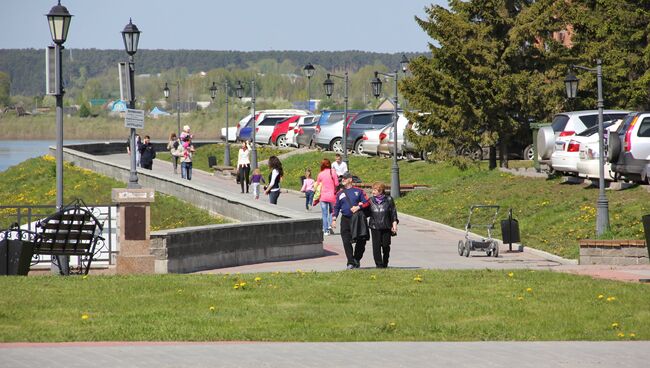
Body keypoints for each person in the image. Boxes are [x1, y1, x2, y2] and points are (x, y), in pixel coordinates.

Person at [331, 172, 370, 269]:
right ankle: (350, 262)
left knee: (361, 240)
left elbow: (367, 202)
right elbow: (336, 206)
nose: (342, 180)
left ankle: (357, 258)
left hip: (357, 219)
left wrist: (358, 207)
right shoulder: (340, 193)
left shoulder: (359, 191)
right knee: (346, 241)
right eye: (342, 179)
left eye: (344, 178)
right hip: (345, 219)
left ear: (350, 180)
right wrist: (334, 218)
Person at [367, 182, 399, 268]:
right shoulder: (370, 200)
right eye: (372, 189)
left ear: (380, 191)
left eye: (375, 190)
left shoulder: (389, 199)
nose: (373, 192)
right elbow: (366, 212)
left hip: (386, 225)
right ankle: (379, 264)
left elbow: (393, 213)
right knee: (376, 246)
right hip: (374, 226)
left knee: (386, 245)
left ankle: (385, 263)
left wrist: (394, 224)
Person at [314, 158, 339, 235]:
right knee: (332, 212)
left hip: (323, 196)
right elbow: (337, 184)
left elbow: (317, 185)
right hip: (332, 196)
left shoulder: (320, 174)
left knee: (324, 214)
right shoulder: (333, 172)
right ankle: (330, 226)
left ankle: (325, 230)